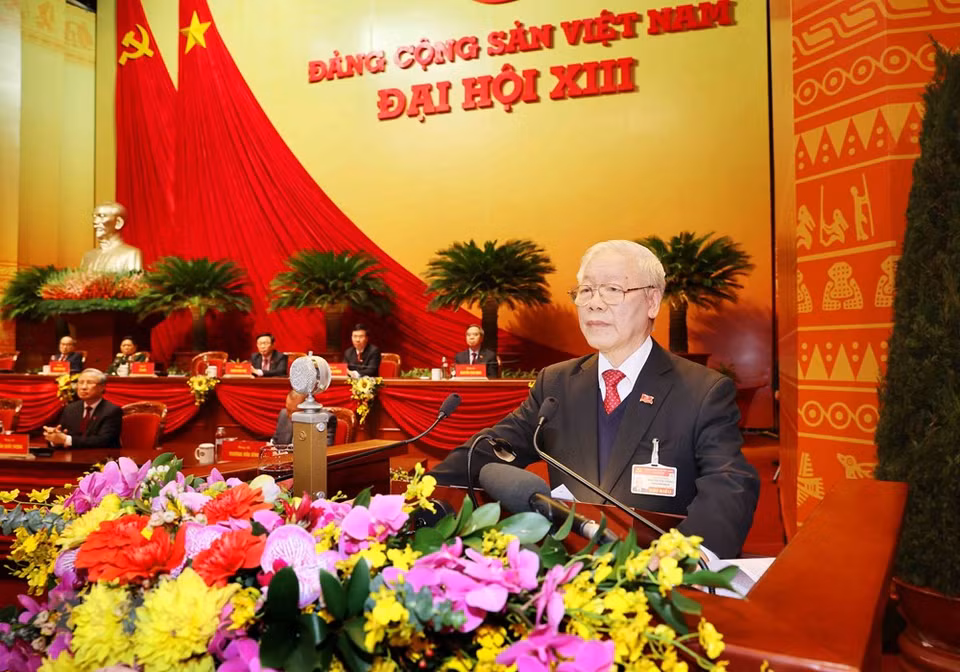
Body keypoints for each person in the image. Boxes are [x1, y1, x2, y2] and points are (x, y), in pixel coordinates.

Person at [429, 240, 760, 559]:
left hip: (655, 575)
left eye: (612, 290)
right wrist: (422, 494)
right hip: (569, 570)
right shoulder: (557, 383)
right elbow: (490, 449)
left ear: (652, 301)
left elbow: (729, 483)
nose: (594, 303)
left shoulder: (702, 390)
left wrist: (689, 553)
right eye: (585, 291)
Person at [42, 368, 122, 450]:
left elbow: (103, 441)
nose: (83, 387)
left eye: (89, 383)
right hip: (71, 457)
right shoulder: (70, 409)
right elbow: (62, 434)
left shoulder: (112, 411)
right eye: (80, 382)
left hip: (101, 458)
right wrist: (54, 437)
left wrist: (67, 439)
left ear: (102, 387)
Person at [79, 202, 143, 273]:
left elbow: (133, 282)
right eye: (94, 217)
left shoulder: (131, 255)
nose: (95, 221)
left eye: (102, 216)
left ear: (118, 222)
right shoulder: (88, 256)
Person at [271, 390, 338, 446]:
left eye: (295, 412)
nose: (291, 416)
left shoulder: (324, 420)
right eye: (288, 410)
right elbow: (275, 442)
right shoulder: (283, 415)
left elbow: (323, 451)